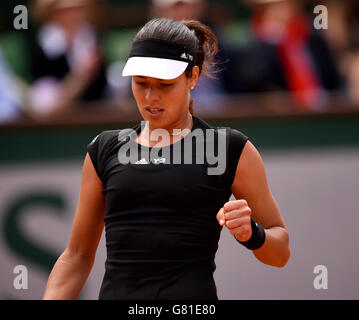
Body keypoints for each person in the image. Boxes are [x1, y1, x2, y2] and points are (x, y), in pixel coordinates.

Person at [42, 18, 290, 300]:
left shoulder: (229, 147)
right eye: (141, 83)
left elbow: (279, 252)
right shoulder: (104, 149)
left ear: (193, 77)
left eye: (165, 85)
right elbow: (76, 256)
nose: (151, 97)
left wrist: (252, 234)